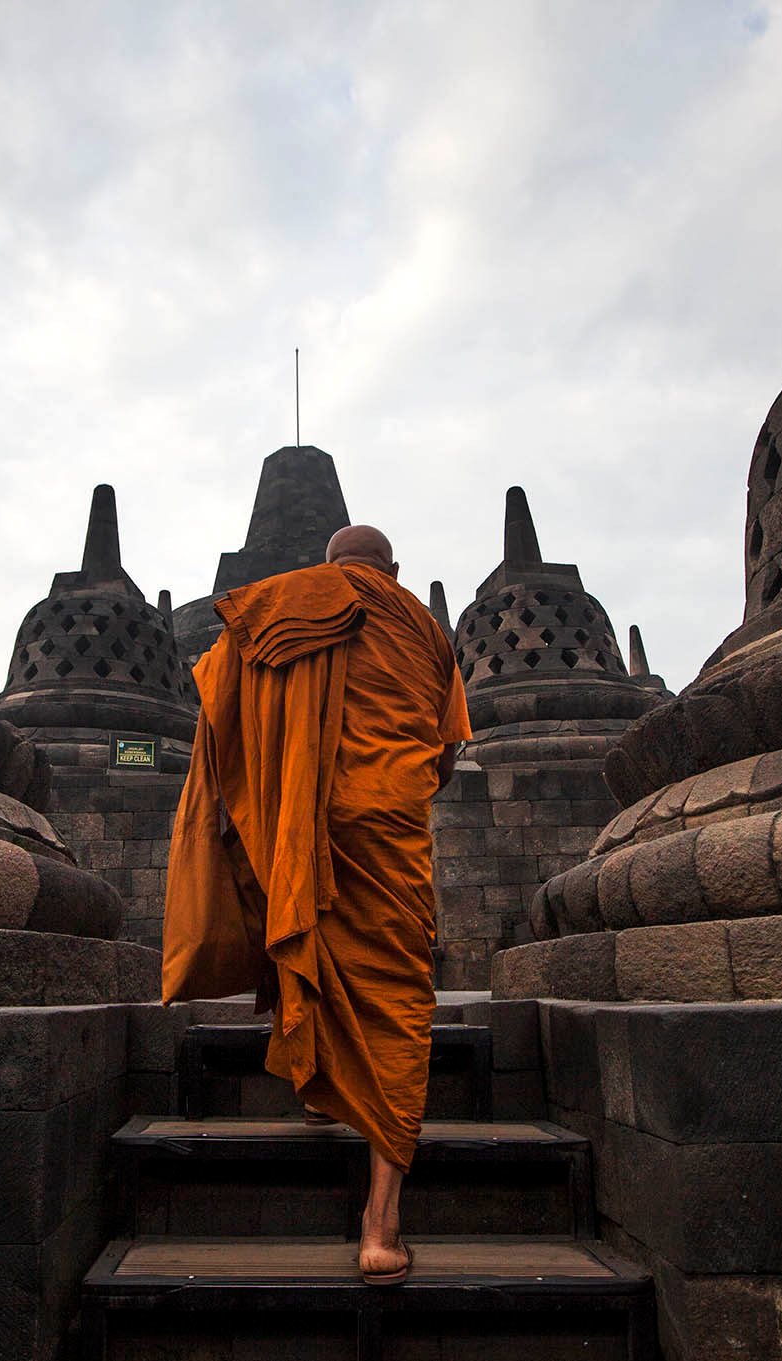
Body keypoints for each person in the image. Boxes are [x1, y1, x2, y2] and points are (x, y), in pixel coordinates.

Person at [161, 524, 470, 1285]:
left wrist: (276, 775)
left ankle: (320, 1091)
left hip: (310, 823)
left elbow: (219, 689)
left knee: (310, 941)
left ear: (332, 569)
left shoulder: (292, 603)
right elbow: (447, 753)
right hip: (392, 836)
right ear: (393, 570)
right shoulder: (425, 629)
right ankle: (381, 1224)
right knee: (398, 1002)